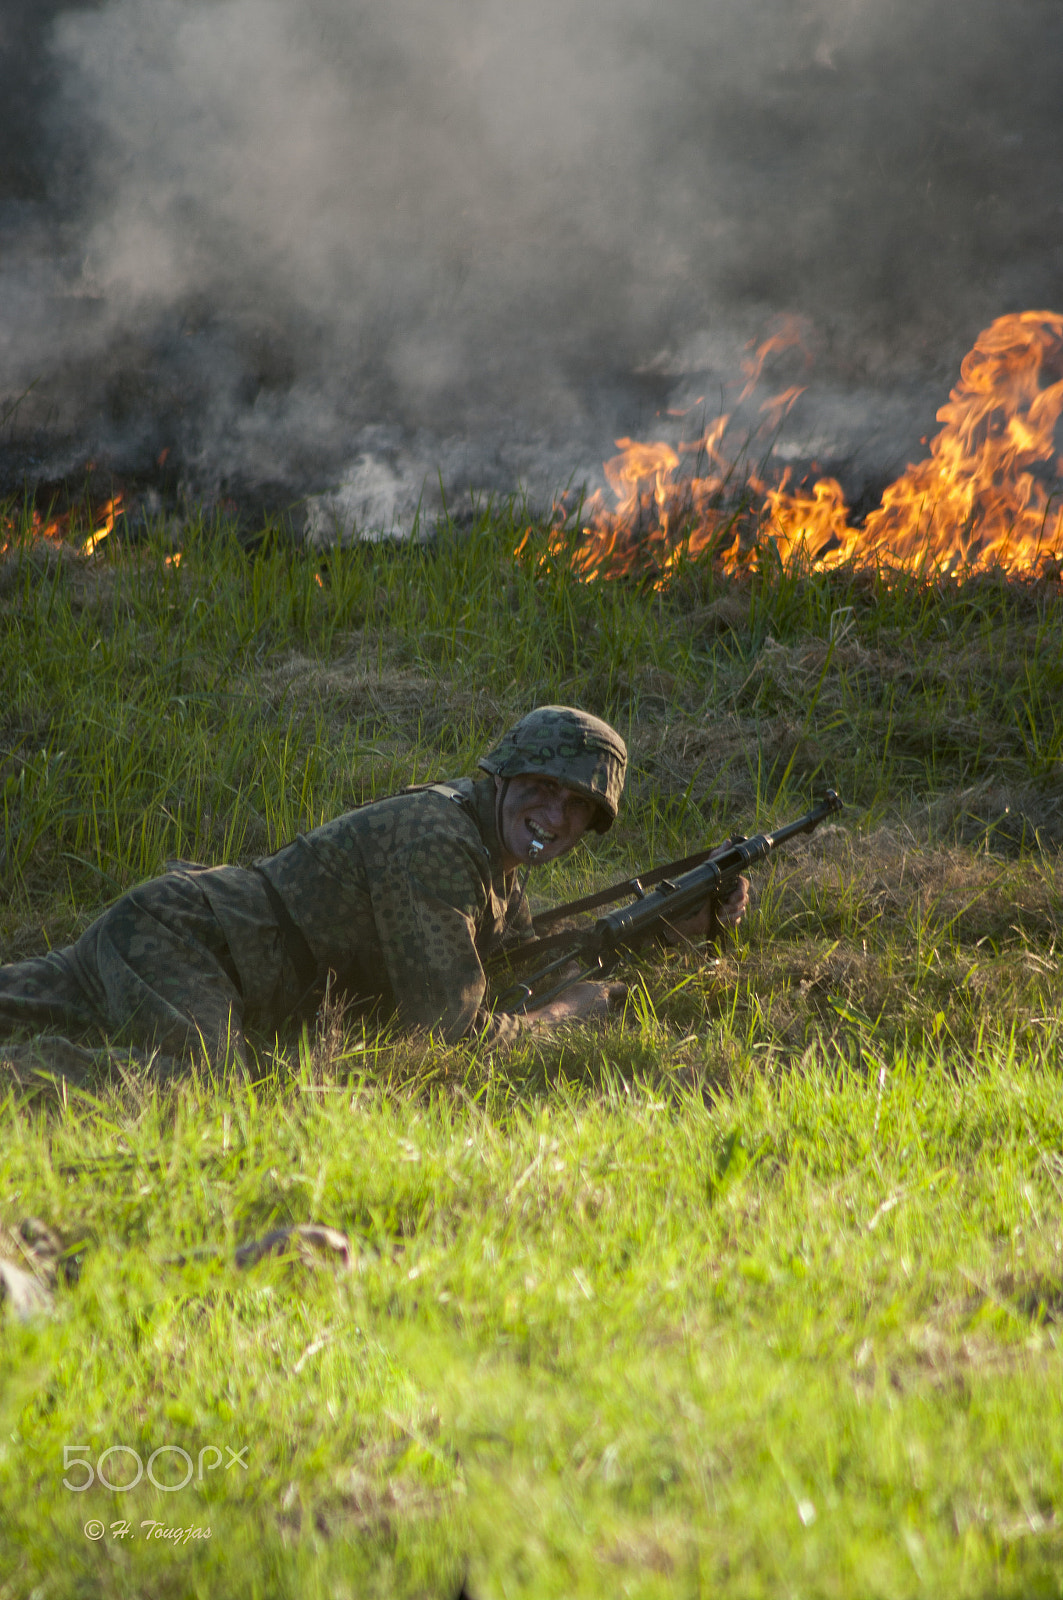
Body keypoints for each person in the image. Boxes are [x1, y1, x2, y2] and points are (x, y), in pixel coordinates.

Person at [0, 706, 747, 1072]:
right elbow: (446, 1030)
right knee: (200, 1091)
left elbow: (508, 970)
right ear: (504, 776)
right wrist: (560, 1019)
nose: (555, 814)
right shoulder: (437, 840)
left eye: (578, 804)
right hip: (189, 940)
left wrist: (672, 928)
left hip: (190, 937)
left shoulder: (496, 865)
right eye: (543, 789)